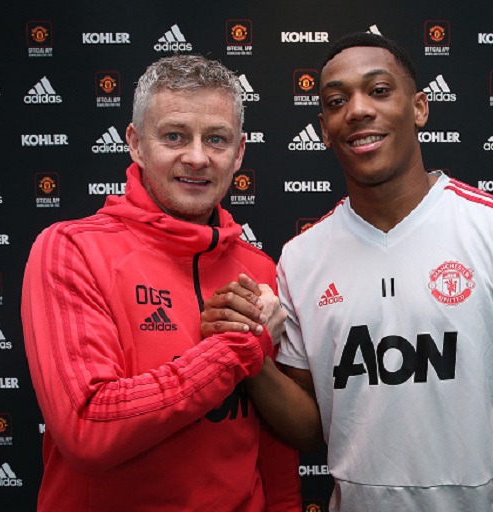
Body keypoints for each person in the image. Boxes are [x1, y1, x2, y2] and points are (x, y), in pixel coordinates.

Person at [201, 33, 493, 511]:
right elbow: (309, 428)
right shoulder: (302, 258)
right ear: (324, 128)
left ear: (420, 107)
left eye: (379, 90)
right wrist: (252, 359)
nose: (358, 110)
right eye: (337, 101)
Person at [21, 54, 301, 511]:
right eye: (174, 136)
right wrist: (236, 351)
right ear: (135, 143)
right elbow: (89, 427)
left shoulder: (261, 269)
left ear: (240, 153)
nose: (196, 157)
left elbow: (272, 446)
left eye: (216, 139)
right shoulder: (71, 249)